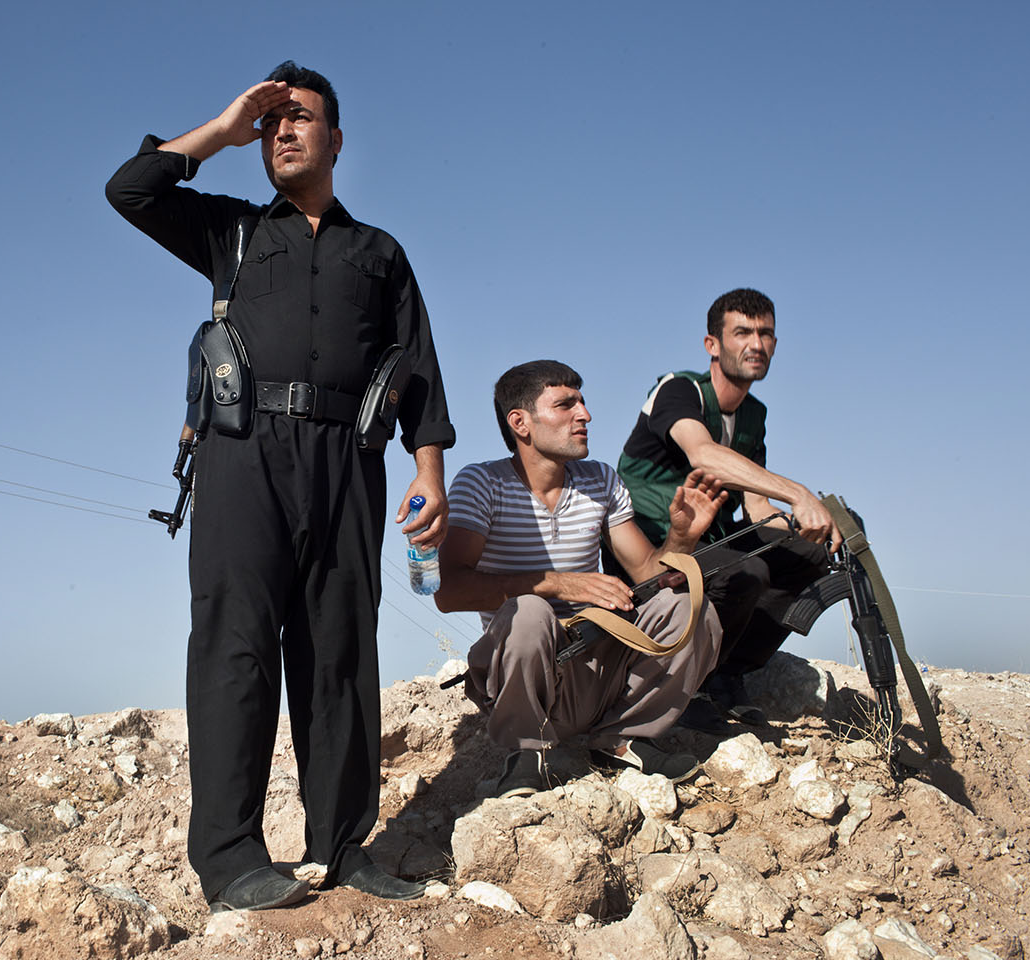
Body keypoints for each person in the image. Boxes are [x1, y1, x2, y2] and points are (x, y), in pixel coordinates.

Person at [105, 62, 453, 911]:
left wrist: (429, 470)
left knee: (339, 651)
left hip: (347, 460)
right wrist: (222, 129)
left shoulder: (380, 254)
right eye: (272, 124)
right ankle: (229, 860)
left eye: (301, 120)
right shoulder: (229, 233)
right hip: (241, 452)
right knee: (236, 647)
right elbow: (132, 190)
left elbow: (418, 366)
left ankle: (343, 847)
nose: (284, 132)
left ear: (336, 140)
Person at [434, 360, 724, 797]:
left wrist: (682, 539)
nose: (584, 414)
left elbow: (651, 574)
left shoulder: (601, 480)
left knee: (690, 608)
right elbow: (451, 590)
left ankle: (623, 739)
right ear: (521, 423)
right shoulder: (482, 482)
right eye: (566, 404)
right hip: (526, 677)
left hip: (596, 665)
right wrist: (557, 583)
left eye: (582, 402)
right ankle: (524, 755)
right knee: (529, 611)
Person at [615, 288, 832, 733]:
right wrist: (799, 493)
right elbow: (703, 455)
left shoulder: (753, 414)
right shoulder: (678, 390)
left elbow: (754, 504)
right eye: (742, 333)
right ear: (712, 344)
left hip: (715, 541)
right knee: (744, 574)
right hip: (654, 544)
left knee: (808, 555)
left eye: (766, 333)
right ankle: (685, 688)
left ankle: (727, 673)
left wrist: (809, 524)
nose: (756, 344)